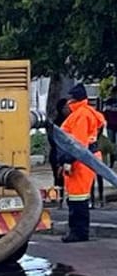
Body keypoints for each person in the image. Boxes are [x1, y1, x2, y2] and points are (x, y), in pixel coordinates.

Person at [57, 83, 106, 243]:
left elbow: (77, 144)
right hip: (85, 158)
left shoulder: (81, 115)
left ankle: (78, 232)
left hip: (80, 160)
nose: (68, 103)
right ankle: (78, 231)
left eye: (70, 99)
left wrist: (67, 161)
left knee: (78, 198)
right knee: (78, 197)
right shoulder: (85, 112)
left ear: (75, 99)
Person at [47, 97, 69, 189]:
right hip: (57, 154)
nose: (68, 110)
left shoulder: (72, 120)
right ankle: (58, 198)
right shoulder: (57, 123)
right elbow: (52, 139)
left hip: (67, 154)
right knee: (58, 178)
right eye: (65, 108)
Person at [100, 85, 117, 167]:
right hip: (110, 125)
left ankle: (114, 160)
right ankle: (112, 161)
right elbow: (104, 113)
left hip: (113, 125)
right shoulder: (108, 102)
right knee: (111, 144)